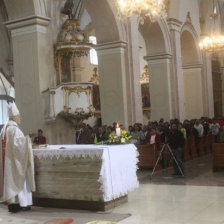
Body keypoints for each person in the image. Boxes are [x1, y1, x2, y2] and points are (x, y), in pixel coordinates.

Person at [0, 102, 35, 213]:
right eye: (19, 116)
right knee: (21, 180)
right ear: (14, 117)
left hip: (7, 162)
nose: (20, 118)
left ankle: (13, 204)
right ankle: (22, 204)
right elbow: (19, 146)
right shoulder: (14, 129)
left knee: (11, 181)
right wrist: (28, 138)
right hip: (15, 162)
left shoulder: (4, 129)